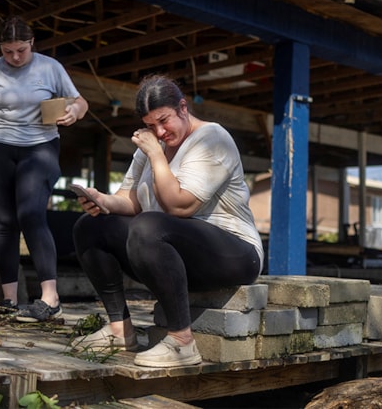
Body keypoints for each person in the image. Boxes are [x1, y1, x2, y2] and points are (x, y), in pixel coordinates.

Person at [71, 74, 263, 368]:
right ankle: (119, 329)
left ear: (183, 108)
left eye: (164, 121)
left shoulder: (212, 139)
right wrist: (101, 200)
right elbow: (130, 200)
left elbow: (179, 206)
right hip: (174, 250)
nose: (159, 132)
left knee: (148, 225)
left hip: (234, 253)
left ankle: (182, 343)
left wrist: (156, 155)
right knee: (91, 226)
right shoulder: (151, 146)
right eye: (150, 125)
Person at [0, 16, 89, 322]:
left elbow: (80, 101)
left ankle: (50, 297)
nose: (15, 57)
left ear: (31, 43)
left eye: (20, 50)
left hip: (40, 146)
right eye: (8, 51)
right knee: (4, 222)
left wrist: (73, 111)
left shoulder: (50, 68)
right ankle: (8, 300)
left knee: (31, 214)